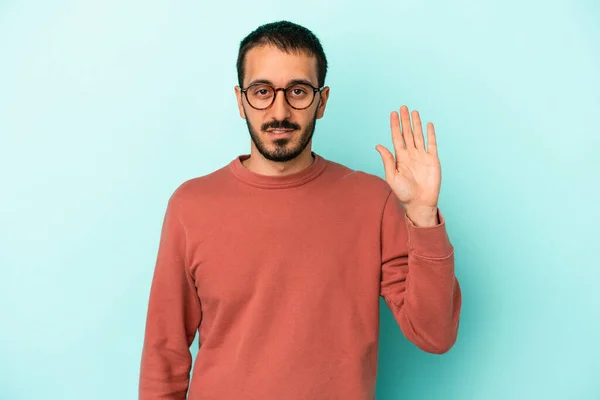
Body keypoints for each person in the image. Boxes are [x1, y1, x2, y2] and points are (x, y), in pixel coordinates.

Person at [138, 20, 462, 400]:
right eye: (262, 91)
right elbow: (165, 353)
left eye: (297, 91)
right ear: (241, 101)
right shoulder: (191, 205)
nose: (280, 110)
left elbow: (435, 334)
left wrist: (423, 216)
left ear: (321, 101)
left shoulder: (373, 200)